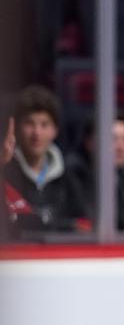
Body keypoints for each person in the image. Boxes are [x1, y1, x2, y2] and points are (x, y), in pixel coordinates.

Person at [2, 84, 89, 233]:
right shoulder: (6, 172)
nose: (37, 133)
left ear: (55, 131)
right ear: (17, 127)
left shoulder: (70, 177)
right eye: (30, 124)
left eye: (44, 124)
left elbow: (85, 226)